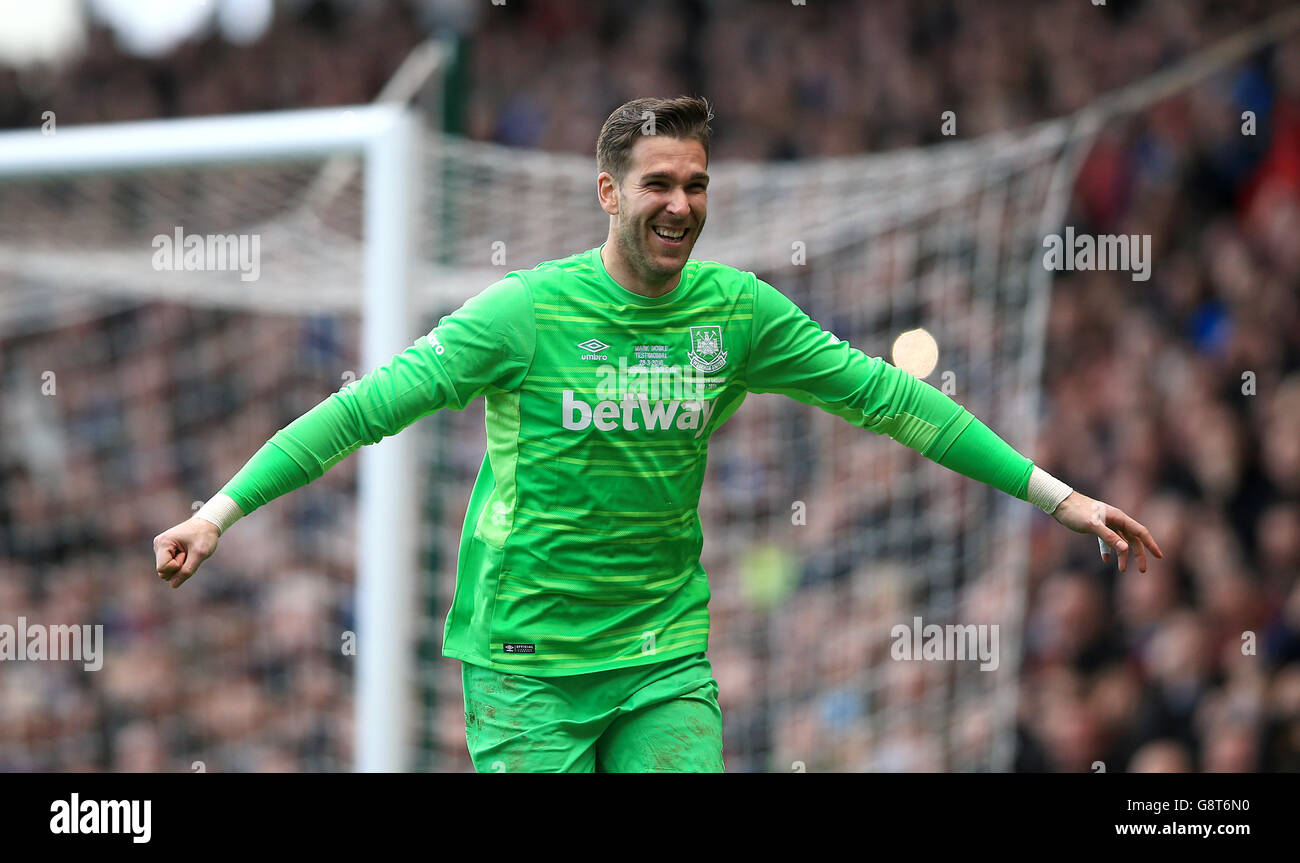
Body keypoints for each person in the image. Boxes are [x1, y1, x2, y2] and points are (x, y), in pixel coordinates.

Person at [152, 95, 1163, 772]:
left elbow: (890, 398)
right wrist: (219, 510)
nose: (681, 205)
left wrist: (1056, 494)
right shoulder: (523, 315)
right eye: (658, 185)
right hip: (524, 662)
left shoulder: (738, 314)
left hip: (660, 651)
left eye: (696, 185)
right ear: (609, 193)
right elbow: (364, 409)